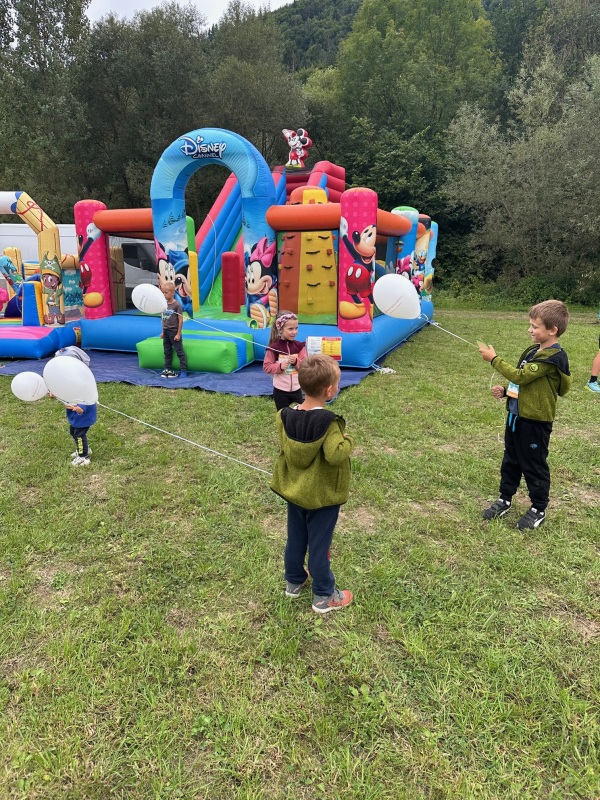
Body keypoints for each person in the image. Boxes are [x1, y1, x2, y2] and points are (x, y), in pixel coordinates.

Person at [270, 354, 354, 613]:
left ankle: (294, 581)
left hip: (294, 492)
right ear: (329, 390)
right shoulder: (329, 424)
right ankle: (324, 595)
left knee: (296, 538)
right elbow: (335, 455)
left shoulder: (284, 416)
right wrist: (347, 441)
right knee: (319, 545)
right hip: (321, 497)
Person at [478, 300, 572, 530]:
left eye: (535, 326)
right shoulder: (534, 351)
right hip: (516, 417)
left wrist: (494, 359)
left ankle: (538, 508)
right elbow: (522, 383)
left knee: (533, 464)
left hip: (535, 423)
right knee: (510, 459)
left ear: (552, 330)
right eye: (530, 325)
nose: (530, 330)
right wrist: (506, 392)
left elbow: (521, 376)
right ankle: (505, 499)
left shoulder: (551, 359)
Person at [53, 346, 97, 466]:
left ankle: (83, 456)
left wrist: (82, 407)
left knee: (79, 434)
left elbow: (88, 393)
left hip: (82, 414)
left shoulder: (83, 379)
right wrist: (54, 391)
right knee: (73, 432)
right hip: (74, 412)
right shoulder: (68, 378)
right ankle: (84, 449)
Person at [263, 311, 307, 410]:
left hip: (297, 389)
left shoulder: (299, 346)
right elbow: (266, 366)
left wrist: (296, 362)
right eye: (290, 329)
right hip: (280, 391)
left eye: (296, 328)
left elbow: (305, 366)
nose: (294, 332)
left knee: (300, 413)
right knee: (283, 414)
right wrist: (280, 367)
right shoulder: (274, 348)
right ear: (280, 329)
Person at [160, 281, 187, 379]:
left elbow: (180, 320)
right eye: (163, 292)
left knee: (179, 351)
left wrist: (178, 333)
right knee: (167, 351)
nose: (164, 294)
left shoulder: (177, 305)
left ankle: (183, 370)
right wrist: (163, 332)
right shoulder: (163, 304)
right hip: (166, 332)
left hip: (174, 332)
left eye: (166, 292)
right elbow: (163, 319)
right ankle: (167, 369)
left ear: (172, 293)